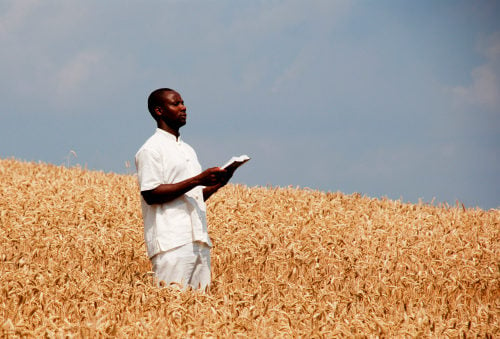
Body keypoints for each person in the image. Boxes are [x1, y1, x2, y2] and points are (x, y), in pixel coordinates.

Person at [135, 88, 233, 291]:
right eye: (176, 103)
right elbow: (151, 194)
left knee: (200, 313)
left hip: (199, 242)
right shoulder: (150, 149)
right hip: (172, 244)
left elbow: (192, 197)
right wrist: (198, 179)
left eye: (183, 102)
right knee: (170, 308)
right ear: (159, 110)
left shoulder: (188, 150)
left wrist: (217, 184)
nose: (183, 107)